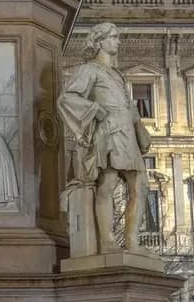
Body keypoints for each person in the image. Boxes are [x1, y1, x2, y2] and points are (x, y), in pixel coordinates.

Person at [57, 22, 151, 253]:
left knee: (140, 185)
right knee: (107, 184)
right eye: (114, 37)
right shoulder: (89, 70)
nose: (118, 41)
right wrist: (95, 110)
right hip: (109, 132)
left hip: (127, 132)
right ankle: (108, 241)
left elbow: (128, 106)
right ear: (99, 41)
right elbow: (67, 98)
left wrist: (139, 127)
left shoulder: (116, 75)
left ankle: (132, 243)